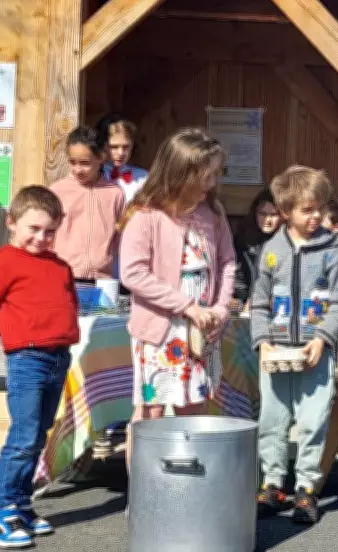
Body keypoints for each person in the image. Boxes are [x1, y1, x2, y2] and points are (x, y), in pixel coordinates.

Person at [119, 127, 235, 468]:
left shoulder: (212, 213)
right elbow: (133, 273)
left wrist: (220, 309)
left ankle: (187, 496)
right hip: (160, 330)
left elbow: (228, 261)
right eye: (204, 175)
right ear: (179, 174)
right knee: (151, 412)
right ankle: (145, 492)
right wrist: (187, 307)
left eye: (215, 174)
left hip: (202, 330)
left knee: (195, 408)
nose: (211, 183)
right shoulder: (145, 215)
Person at [0, 186, 80, 549]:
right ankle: (2, 513)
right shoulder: (4, 261)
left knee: (38, 435)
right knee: (23, 437)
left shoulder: (60, 267)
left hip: (58, 357)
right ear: (11, 223)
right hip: (26, 360)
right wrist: (17, 330)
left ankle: (22, 504)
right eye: (33, 228)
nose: (41, 237)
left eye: (50, 231)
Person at [252, 165, 338, 524]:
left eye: (320, 209)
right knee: (272, 421)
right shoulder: (271, 251)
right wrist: (262, 342)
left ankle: (307, 488)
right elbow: (259, 302)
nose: (316, 217)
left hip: (314, 352)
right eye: (307, 210)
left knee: (312, 421)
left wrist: (323, 339)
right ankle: (274, 484)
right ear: (285, 212)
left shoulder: (333, 250)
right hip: (276, 353)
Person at [50, 126, 125, 281]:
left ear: (101, 157)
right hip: (62, 275)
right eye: (72, 162)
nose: (78, 169)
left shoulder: (115, 193)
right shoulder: (57, 190)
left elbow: (120, 237)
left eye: (85, 163)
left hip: (103, 279)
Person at [232, 187, 281, 310]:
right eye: (262, 213)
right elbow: (238, 278)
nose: (267, 220)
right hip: (250, 306)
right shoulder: (243, 241)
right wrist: (241, 300)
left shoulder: (288, 242)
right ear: (255, 213)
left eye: (273, 214)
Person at [96, 113, 148, 204]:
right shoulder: (94, 175)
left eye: (126, 147)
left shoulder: (143, 178)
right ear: (102, 145)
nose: (121, 153)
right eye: (114, 147)